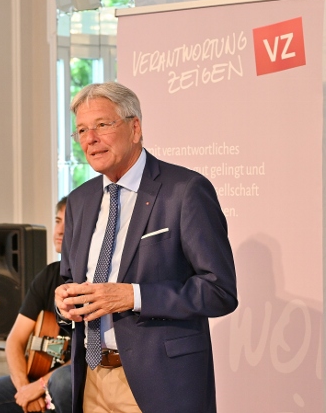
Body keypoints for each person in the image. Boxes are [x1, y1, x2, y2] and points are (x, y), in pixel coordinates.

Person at [54, 82, 238, 413]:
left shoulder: (185, 190)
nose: (90, 139)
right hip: (92, 380)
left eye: (102, 125)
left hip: (161, 384)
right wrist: (64, 300)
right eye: (81, 130)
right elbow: (68, 277)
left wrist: (134, 296)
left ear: (135, 128)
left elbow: (219, 290)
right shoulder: (79, 201)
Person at [0, 197, 72, 413]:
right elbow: (14, 341)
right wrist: (24, 390)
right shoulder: (49, 275)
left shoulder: (96, 280)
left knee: (61, 382)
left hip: (72, 380)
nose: (59, 230)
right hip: (37, 378)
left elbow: (87, 356)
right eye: (57, 221)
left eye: (68, 223)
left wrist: (40, 387)